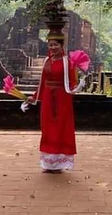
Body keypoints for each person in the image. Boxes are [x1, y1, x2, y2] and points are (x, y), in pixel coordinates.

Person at [25, 20, 83, 173]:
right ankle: (48, 163)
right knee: (48, 129)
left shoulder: (68, 63)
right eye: (50, 45)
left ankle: (59, 163)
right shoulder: (46, 61)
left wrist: (75, 88)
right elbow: (42, 82)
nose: (52, 48)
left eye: (55, 45)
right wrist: (34, 97)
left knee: (61, 128)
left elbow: (72, 81)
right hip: (47, 99)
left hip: (63, 99)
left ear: (61, 45)